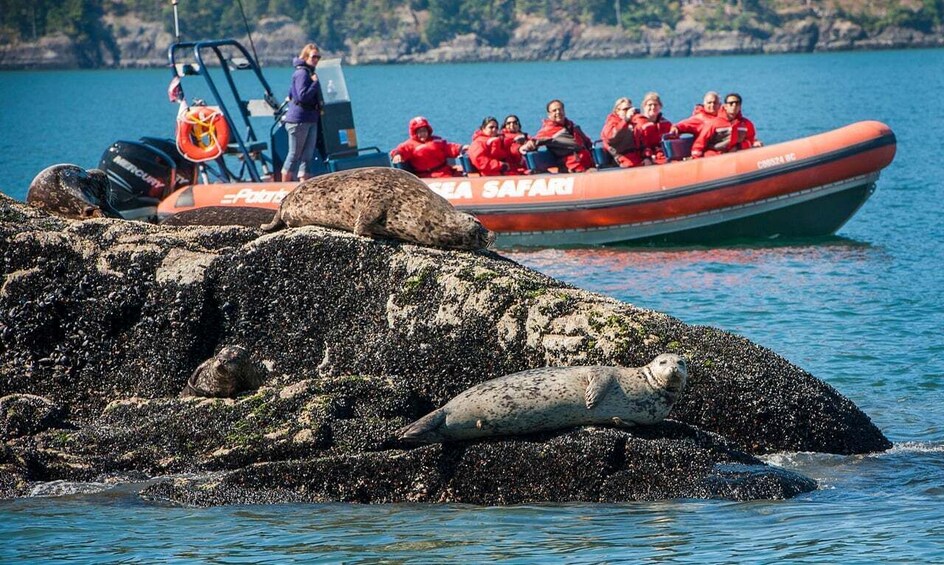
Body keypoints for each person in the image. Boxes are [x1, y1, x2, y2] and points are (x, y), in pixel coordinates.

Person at [281, 43, 324, 182]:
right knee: (294, 154)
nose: (316, 59)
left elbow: (290, 93)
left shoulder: (310, 73)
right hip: (298, 120)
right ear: (305, 57)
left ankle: (303, 184)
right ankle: (284, 186)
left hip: (311, 118)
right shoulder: (301, 73)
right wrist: (315, 84)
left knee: (307, 156)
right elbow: (302, 96)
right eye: (313, 57)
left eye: (318, 57)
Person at [520, 99, 595, 172]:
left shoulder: (572, 126)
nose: (558, 112)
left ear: (564, 111)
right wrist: (526, 146)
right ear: (549, 115)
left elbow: (587, 142)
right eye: (554, 110)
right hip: (572, 167)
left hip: (587, 163)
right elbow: (536, 140)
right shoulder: (548, 130)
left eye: (560, 109)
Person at [691, 92, 763, 159]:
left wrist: (738, 147)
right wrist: (696, 158)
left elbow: (750, 140)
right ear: (725, 106)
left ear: (740, 106)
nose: (734, 105)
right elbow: (700, 142)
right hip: (715, 157)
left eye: (737, 103)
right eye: (731, 103)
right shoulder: (714, 123)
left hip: (736, 157)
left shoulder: (746, 124)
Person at [390, 116, 466, 178]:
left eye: (424, 131)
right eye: (419, 132)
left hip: (444, 172)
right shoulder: (409, 145)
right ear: (414, 133)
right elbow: (400, 150)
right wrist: (397, 154)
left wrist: (461, 148)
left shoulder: (437, 141)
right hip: (425, 176)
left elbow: (450, 147)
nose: (423, 134)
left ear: (428, 131)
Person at [600, 97, 645, 168]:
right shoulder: (611, 123)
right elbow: (611, 137)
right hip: (622, 162)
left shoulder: (633, 123)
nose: (628, 111)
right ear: (617, 111)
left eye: (630, 109)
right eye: (625, 109)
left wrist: (647, 157)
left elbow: (642, 142)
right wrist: (626, 120)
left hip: (638, 160)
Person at [631, 92, 673, 165]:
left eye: (655, 105)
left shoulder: (666, 124)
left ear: (660, 107)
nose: (653, 107)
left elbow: (673, 140)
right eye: (650, 105)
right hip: (646, 159)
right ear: (644, 106)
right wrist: (647, 157)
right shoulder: (637, 124)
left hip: (663, 157)